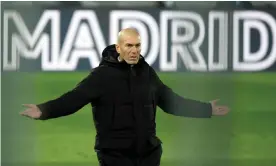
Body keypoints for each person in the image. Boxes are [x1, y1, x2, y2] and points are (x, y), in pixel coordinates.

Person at [20, 28, 230, 166]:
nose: (134, 51)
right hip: (115, 157)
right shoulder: (101, 76)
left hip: (148, 154)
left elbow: (170, 101)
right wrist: (43, 110)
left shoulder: (147, 72)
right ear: (118, 48)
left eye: (137, 46)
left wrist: (206, 109)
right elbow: (73, 99)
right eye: (129, 46)